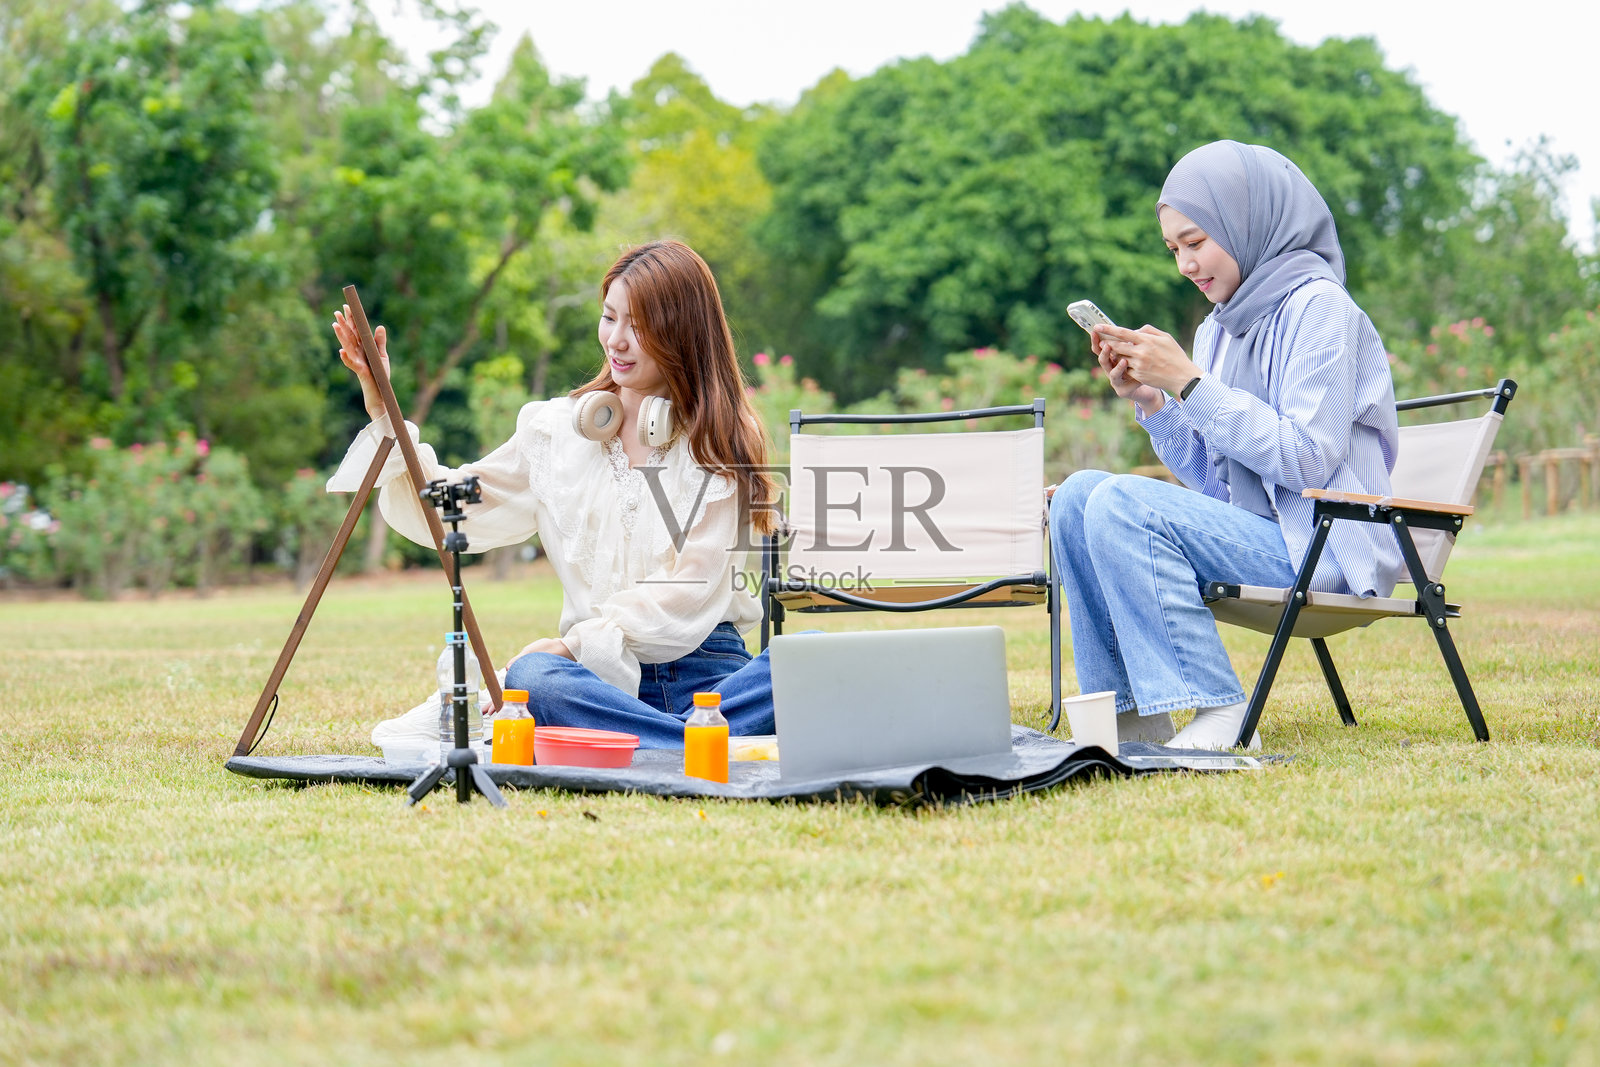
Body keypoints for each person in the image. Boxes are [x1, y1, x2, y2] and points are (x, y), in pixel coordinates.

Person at [328, 240, 782, 747]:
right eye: (610, 317)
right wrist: (382, 407)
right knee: (533, 680)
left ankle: (646, 742)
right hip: (596, 683)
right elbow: (449, 506)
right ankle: (693, 745)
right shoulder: (554, 433)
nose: (617, 340)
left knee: (801, 658)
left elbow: (692, 591)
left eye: (640, 326)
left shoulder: (722, 439)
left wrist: (572, 645)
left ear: (683, 333)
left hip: (710, 679)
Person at [1048, 140, 1403, 750]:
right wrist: (1155, 401)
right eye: (1174, 250)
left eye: (1196, 242)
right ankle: (1134, 715)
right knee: (1080, 495)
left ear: (1247, 220)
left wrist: (1190, 382)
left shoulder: (1320, 308)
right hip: (1262, 536)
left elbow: (1310, 457)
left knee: (1121, 502)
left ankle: (1218, 707)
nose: (1185, 264)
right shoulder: (1219, 327)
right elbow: (1213, 483)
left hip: (1324, 545)